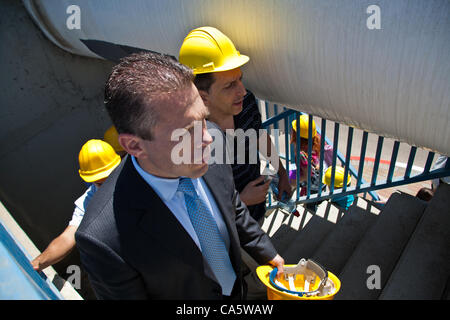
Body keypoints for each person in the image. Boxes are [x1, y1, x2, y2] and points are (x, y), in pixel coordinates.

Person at [75, 52, 284, 300]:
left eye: (203, 120)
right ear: (134, 146)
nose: (208, 139)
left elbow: (233, 207)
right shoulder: (103, 240)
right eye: (187, 132)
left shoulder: (211, 142)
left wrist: (267, 253)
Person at [179, 26, 291, 223]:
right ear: (203, 97)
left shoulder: (246, 104)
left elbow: (259, 137)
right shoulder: (190, 137)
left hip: (256, 214)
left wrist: (281, 173)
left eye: (240, 79)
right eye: (230, 85)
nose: (243, 92)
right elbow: (193, 207)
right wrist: (242, 200)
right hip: (227, 227)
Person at [31, 139, 121, 272]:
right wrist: (37, 263)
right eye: (100, 183)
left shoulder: (141, 174)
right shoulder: (88, 202)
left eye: (110, 178)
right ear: (90, 180)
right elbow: (66, 239)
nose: (107, 186)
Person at [289, 115, 333, 195]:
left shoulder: (301, 154)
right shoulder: (317, 139)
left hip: (313, 183)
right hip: (322, 178)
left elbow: (306, 176)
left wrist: (292, 182)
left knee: (284, 179)